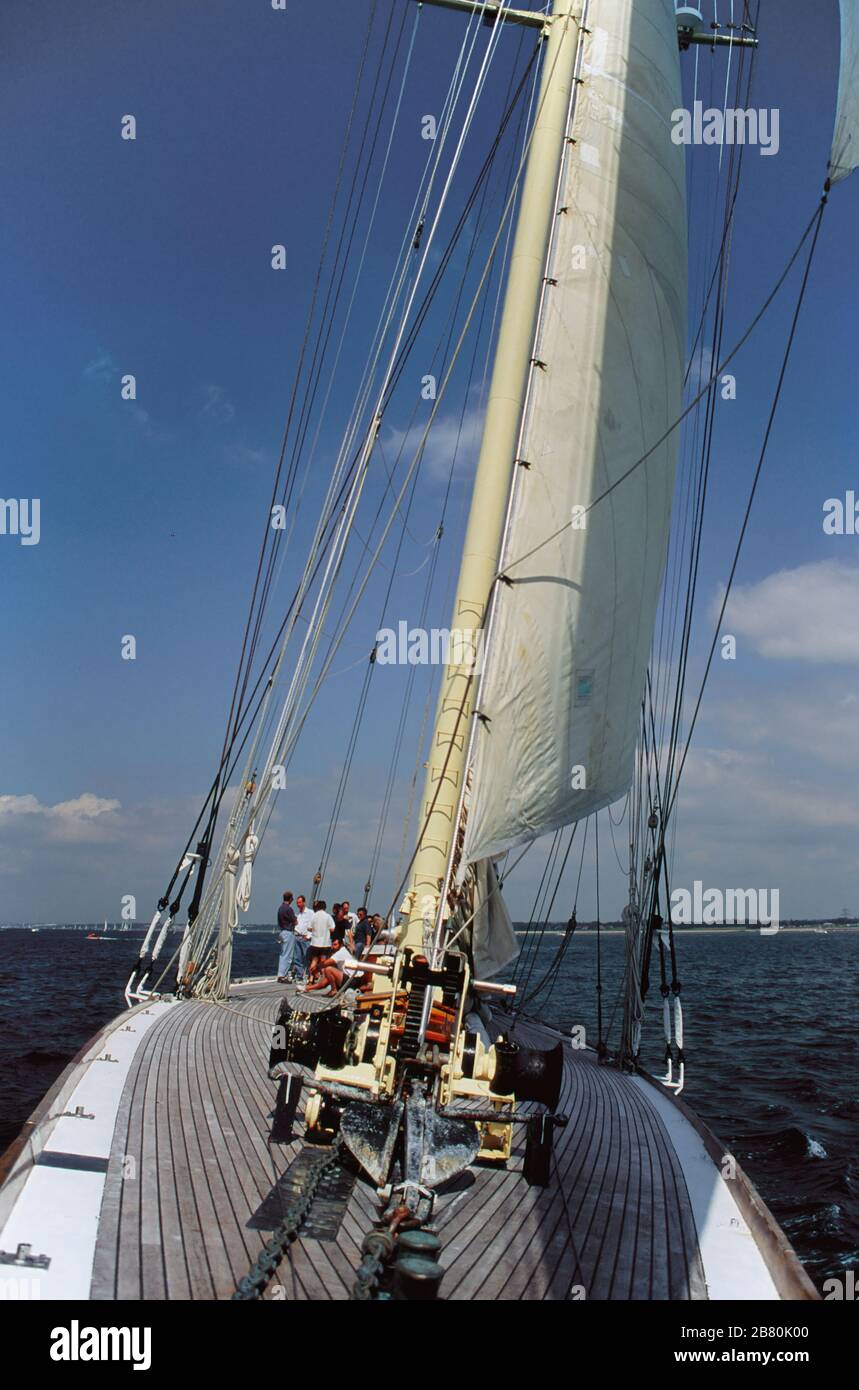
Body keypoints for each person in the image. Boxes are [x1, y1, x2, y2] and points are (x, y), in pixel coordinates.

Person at [300, 933, 366, 995]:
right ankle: (307, 988)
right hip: (351, 979)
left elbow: (325, 963)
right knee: (328, 972)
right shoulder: (340, 953)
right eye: (332, 945)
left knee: (328, 969)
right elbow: (326, 980)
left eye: (335, 945)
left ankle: (334, 990)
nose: (332, 947)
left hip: (355, 980)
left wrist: (316, 968)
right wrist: (307, 988)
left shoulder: (342, 952)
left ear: (341, 945)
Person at [306, 899, 335, 979]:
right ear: (325, 907)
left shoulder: (314, 916)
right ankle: (323, 978)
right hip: (325, 943)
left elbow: (309, 928)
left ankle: (311, 978)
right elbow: (332, 929)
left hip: (315, 942)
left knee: (314, 960)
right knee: (323, 961)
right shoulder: (328, 916)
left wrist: (315, 929)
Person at [276, 892, 298, 982]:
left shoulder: (280, 908)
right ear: (290, 899)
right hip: (288, 932)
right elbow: (295, 921)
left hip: (282, 932)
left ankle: (280, 974)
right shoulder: (289, 909)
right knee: (288, 955)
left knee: (283, 954)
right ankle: (283, 975)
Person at [294, 894, 314, 976]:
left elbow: (313, 925)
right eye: (297, 903)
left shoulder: (310, 913)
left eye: (299, 902)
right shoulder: (298, 914)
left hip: (305, 939)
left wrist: (309, 936)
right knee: (297, 958)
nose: (298, 904)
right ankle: (300, 975)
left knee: (307, 957)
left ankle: (310, 974)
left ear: (304, 902)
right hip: (297, 937)